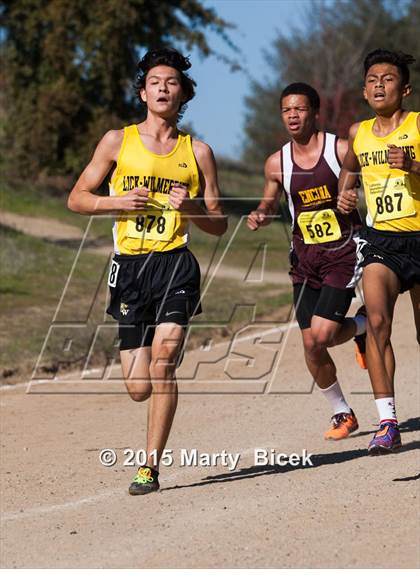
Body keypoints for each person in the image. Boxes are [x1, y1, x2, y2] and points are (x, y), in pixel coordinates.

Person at [68, 47, 227, 493]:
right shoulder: (117, 141)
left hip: (176, 264)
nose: (163, 87)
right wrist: (114, 201)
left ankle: (149, 467)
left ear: (183, 95)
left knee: (163, 366)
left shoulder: (198, 152)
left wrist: (192, 207)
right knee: (138, 386)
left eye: (171, 82)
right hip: (130, 269)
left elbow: (218, 224)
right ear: (142, 92)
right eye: (155, 81)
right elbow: (76, 198)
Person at [248, 82, 367, 441]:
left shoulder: (340, 149)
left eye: (299, 109)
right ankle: (342, 412)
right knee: (311, 344)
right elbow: (269, 201)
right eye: (286, 110)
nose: (292, 116)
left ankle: (363, 325)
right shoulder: (277, 162)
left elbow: (365, 183)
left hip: (342, 253)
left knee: (324, 334)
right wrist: (262, 214)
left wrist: (353, 194)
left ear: (315, 112)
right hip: (305, 257)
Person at [337, 49, 420, 454]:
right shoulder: (359, 132)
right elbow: (348, 170)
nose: (378, 85)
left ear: (404, 88)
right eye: (371, 79)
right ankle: (387, 423)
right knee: (376, 323)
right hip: (381, 242)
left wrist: (414, 166)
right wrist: (345, 195)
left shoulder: (419, 126)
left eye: (387, 79)